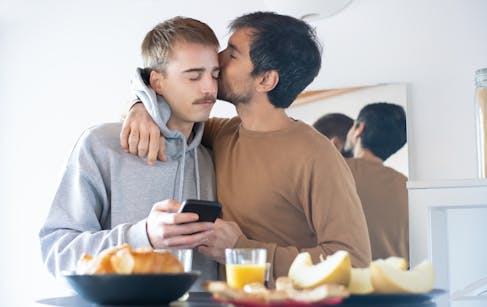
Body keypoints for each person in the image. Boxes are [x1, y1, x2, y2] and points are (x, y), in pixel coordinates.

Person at [121, 11, 372, 285]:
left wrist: (242, 249)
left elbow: (354, 263)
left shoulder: (317, 155)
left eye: (233, 53)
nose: (218, 58)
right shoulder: (220, 134)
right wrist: (140, 106)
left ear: (265, 80)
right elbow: (171, 107)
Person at [39, 17, 221, 289]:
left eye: (215, 75)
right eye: (194, 76)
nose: (209, 88)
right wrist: (142, 236)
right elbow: (57, 252)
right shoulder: (101, 145)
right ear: (157, 82)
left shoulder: (211, 157)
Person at [342, 102, 409, 261]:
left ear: (360, 129)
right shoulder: (406, 185)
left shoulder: (337, 170)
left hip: (347, 281)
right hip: (398, 282)